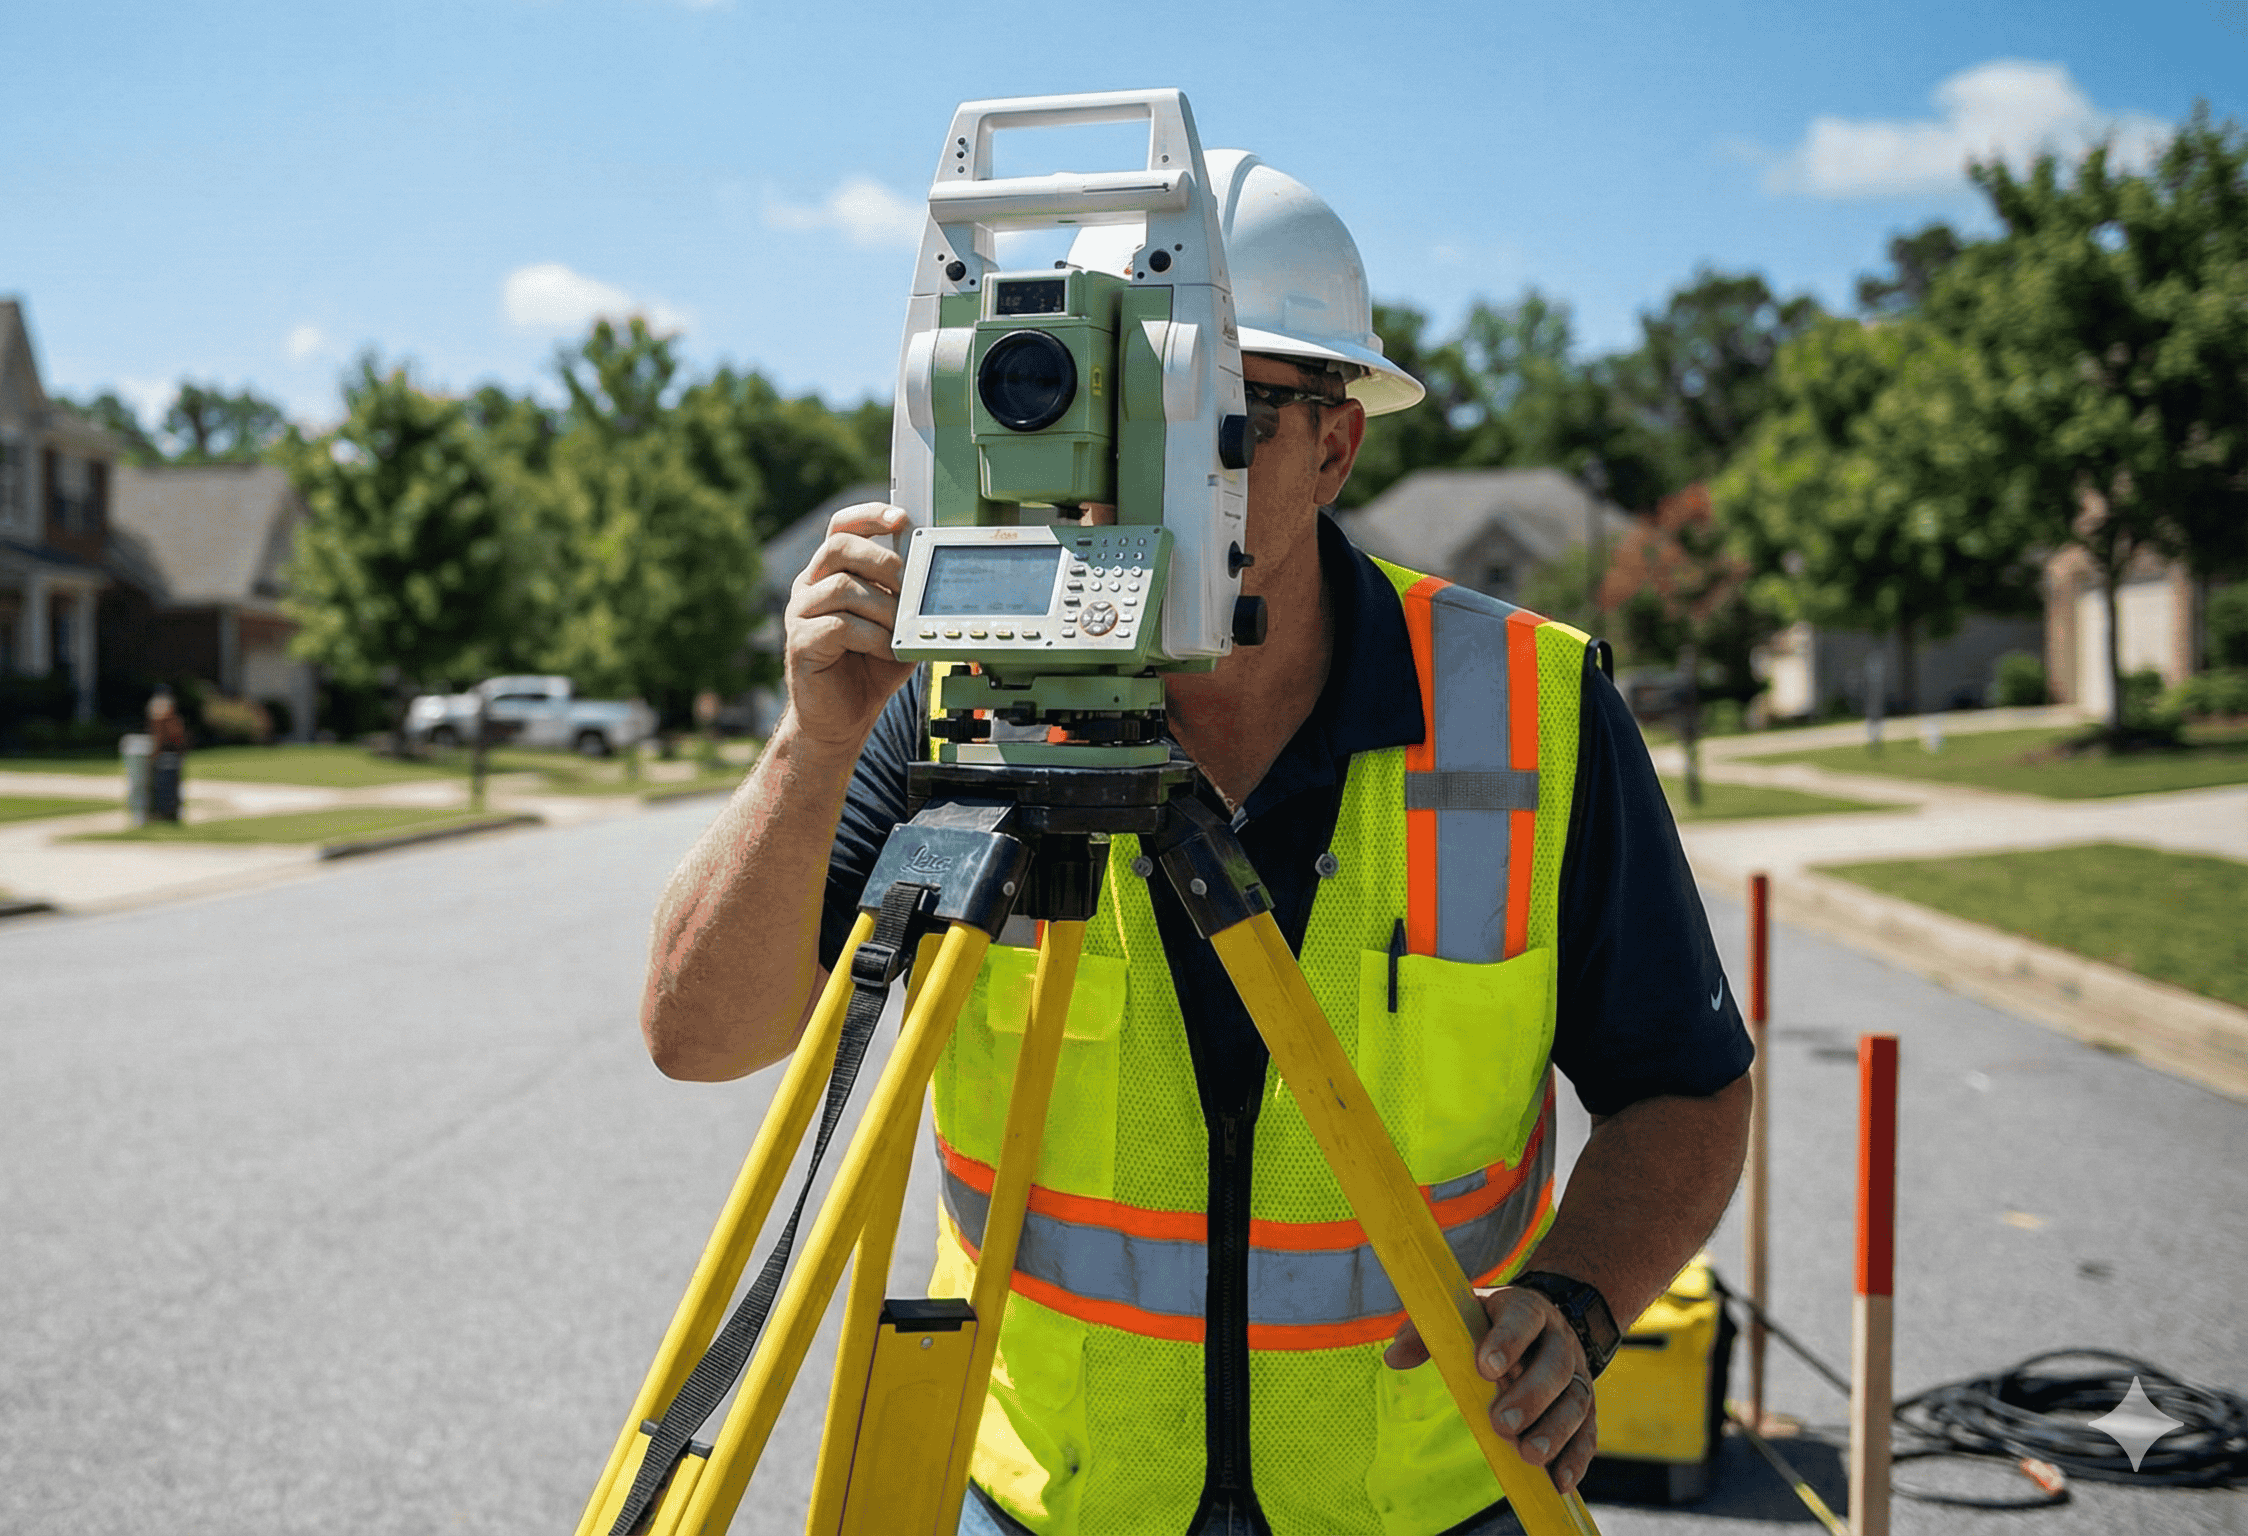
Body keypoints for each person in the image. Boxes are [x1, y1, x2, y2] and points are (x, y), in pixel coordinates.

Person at [639, 152, 1752, 1536]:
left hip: (1426, 1498)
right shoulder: (946, 705)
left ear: (1335, 443)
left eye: (1210, 407)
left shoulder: (1526, 709)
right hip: (1055, 1500)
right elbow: (700, 1032)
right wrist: (816, 744)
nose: (1143, 465)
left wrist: (1579, 1303)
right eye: (1117, 401)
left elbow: (1686, 1086)